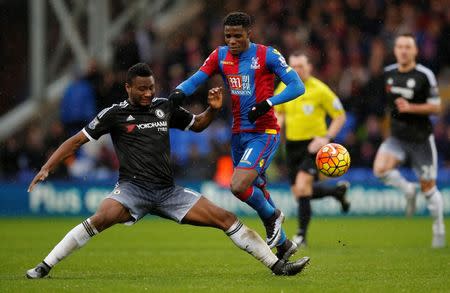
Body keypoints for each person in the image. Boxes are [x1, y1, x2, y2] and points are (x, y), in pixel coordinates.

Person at [25, 63, 310, 279]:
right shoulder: (113, 114)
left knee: (226, 219)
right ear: (128, 88)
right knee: (101, 217)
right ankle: (44, 266)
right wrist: (47, 167)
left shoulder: (164, 107)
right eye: (142, 89)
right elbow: (76, 141)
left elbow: (197, 125)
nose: (149, 93)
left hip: (167, 191)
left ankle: (277, 266)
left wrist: (211, 110)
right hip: (132, 189)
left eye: (151, 87)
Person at [169, 12, 305, 260]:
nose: (232, 40)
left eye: (237, 36)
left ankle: (274, 216)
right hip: (238, 134)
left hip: (263, 133)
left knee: (238, 185)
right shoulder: (220, 55)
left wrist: (268, 103)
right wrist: (178, 94)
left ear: (249, 34)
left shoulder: (267, 55)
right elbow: (197, 78)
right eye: (228, 36)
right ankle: (284, 246)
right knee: (256, 188)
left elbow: (298, 86)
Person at [373, 33, 446, 248]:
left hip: (421, 139)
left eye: (408, 47)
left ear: (415, 51)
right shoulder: (388, 74)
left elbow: (437, 107)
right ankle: (407, 190)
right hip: (397, 137)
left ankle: (439, 227)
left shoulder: (425, 75)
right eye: (400, 47)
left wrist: (411, 107)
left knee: (428, 188)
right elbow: (389, 107)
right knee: (380, 169)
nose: (404, 50)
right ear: (395, 51)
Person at [274, 52, 350, 247]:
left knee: (302, 185)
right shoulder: (284, 86)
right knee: (300, 192)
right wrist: (276, 129)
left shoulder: (320, 89)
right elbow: (279, 113)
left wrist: (326, 138)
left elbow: (339, 115)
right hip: (292, 146)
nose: (297, 70)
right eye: (293, 66)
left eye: (301, 66)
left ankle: (301, 235)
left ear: (309, 67)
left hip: (315, 146)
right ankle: (336, 193)